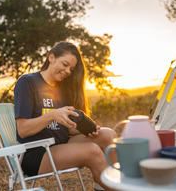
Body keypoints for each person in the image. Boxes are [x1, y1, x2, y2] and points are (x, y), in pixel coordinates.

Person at [14, 41, 117, 190]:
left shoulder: (62, 89)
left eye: (71, 68)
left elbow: (64, 129)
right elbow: (22, 130)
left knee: (108, 135)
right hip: (36, 153)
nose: (68, 71)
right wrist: (52, 115)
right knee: (92, 151)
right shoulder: (27, 82)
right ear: (51, 58)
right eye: (65, 64)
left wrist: (85, 129)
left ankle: (104, 185)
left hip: (60, 145)